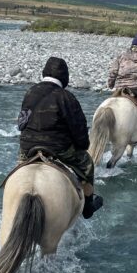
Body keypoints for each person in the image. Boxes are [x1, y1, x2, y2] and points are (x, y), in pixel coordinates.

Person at [17, 56, 103, 218]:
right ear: (65, 77)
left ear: (44, 73)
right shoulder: (67, 97)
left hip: (28, 147)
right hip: (58, 149)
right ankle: (88, 207)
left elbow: (21, 123)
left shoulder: (30, 92)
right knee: (87, 164)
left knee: (19, 171)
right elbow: (79, 131)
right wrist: (82, 146)